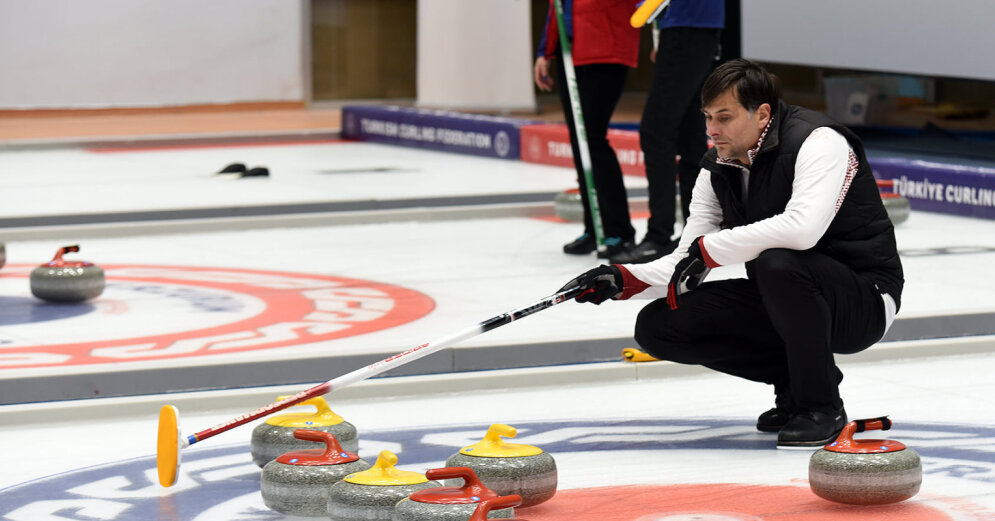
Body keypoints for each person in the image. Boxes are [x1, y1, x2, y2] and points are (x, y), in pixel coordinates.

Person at [559, 59, 904, 448]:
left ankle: (820, 406)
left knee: (779, 262)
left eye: (724, 117)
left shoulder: (819, 142)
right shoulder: (716, 169)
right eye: (707, 117)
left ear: (762, 114)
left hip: (864, 298)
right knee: (659, 325)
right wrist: (624, 278)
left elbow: (802, 229)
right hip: (784, 295)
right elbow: (687, 260)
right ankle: (796, 381)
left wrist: (710, 250)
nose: (711, 130)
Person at [611, 0, 724, 264]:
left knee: (657, 131)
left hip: (688, 25)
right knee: (689, 136)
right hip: (689, 26)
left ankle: (659, 236)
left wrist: (649, 11)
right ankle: (695, 233)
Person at [534, 0, 640, 259]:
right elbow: (558, 7)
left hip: (606, 46)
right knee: (580, 141)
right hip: (570, 50)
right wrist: (544, 51)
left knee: (592, 138)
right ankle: (594, 227)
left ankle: (619, 230)